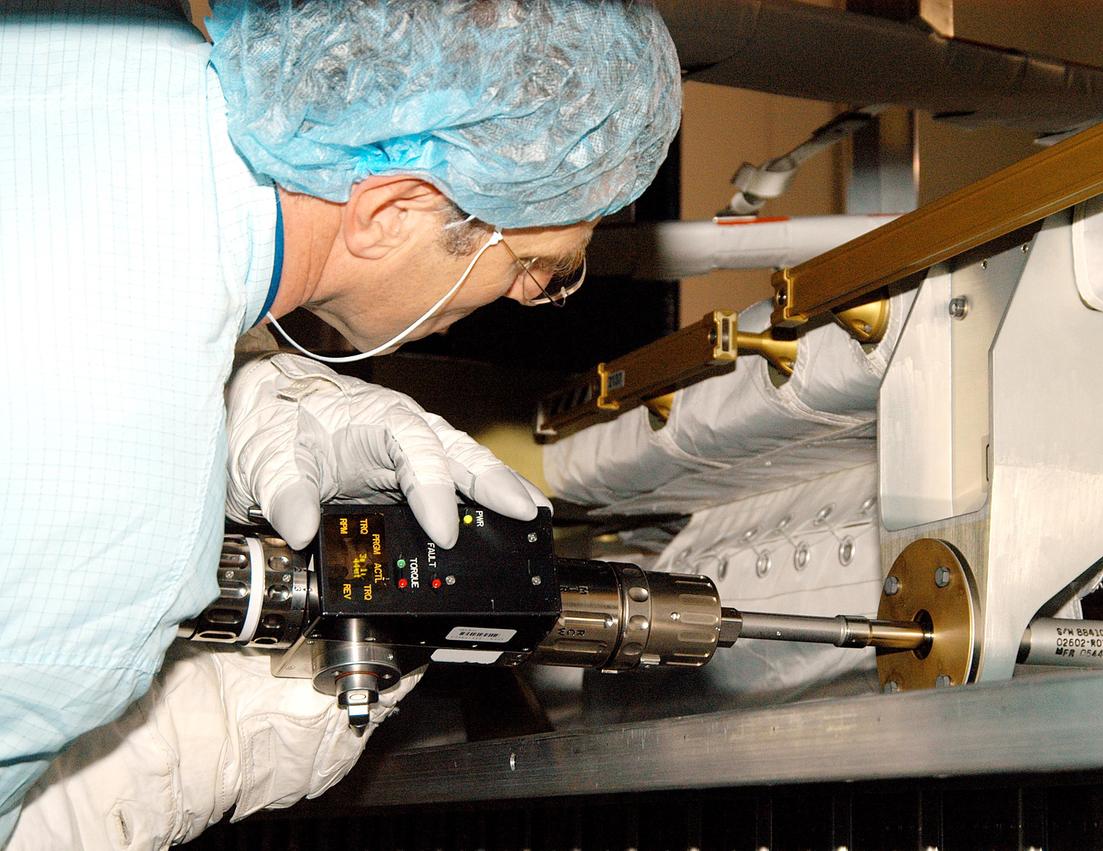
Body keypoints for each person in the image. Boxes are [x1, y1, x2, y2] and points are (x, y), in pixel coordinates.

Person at [0, 0, 681, 845]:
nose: (520, 298)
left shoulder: (97, 27)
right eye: (536, 269)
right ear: (390, 210)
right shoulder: (113, 567)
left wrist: (252, 389)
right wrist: (213, 740)